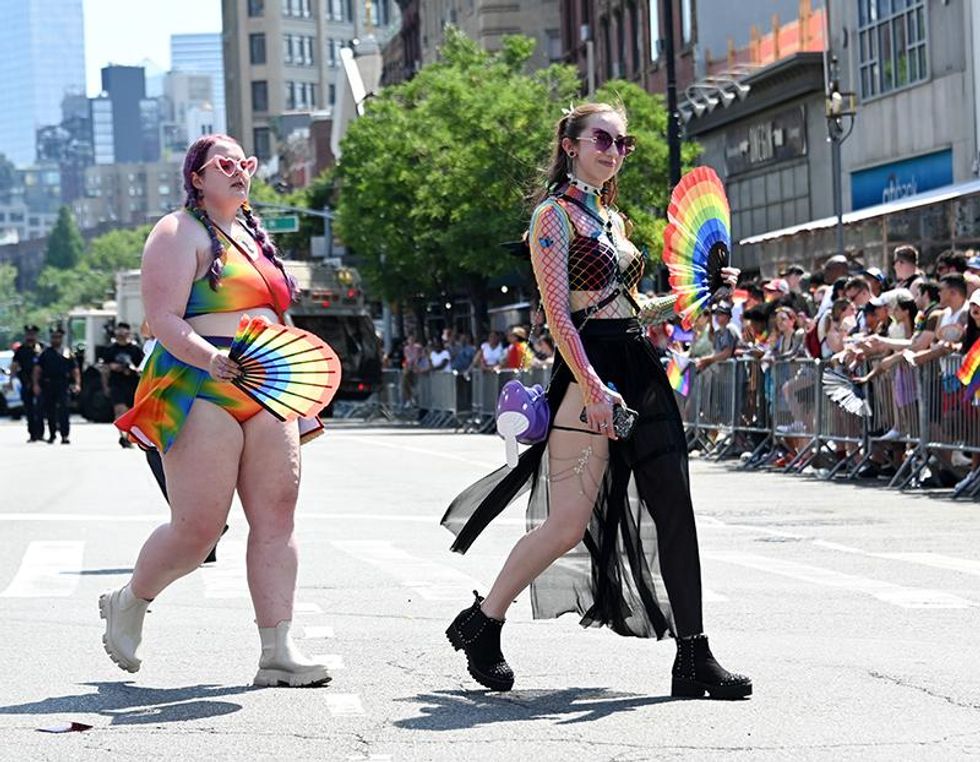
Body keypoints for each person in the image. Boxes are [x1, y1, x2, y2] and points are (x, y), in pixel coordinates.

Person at [440, 102, 750, 699]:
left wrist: (697, 296)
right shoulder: (553, 217)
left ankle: (693, 656)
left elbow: (632, 311)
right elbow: (561, 315)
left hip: (637, 366)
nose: (614, 151)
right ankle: (484, 622)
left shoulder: (614, 220)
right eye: (602, 139)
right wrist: (590, 383)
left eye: (622, 143)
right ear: (571, 145)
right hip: (589, 372)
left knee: (676, 508)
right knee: (566, 525)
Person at [104, 133, 330, 687]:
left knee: (277, 517)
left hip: (268, 384)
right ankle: (129, 600)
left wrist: (299, 380)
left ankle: (277, 650)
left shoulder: (254, 235)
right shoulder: (176, 231)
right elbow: (164, 319)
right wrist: (212, 358)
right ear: (197, 177)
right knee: (199, 530)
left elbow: (278, 315)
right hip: (201, 384)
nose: (238, 170)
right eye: (224, 163)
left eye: (244, 162)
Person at [99, 322, 144, 448]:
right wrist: (105, 385)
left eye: (124, 333)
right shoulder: (110, 350)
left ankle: (129, 435)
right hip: (116, 384)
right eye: (119, 332)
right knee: (120, 410)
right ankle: (123, 436)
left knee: (130, 411)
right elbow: (104, 369)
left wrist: (132, 369)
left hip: (132, 384)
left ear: (128, 333)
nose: (121, 335)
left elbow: (143, 368)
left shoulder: (135, 349)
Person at [33, 327, 80, 444]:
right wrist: (36, 384)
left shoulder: (67, 352)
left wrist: (77, 383)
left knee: (64, 410)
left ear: (62, 338)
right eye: (54, 337)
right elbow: (37, 370)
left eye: (58, 337)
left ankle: (65, 435)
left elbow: (75, 369)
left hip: (63, 384)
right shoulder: (45, 353)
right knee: (50, 411)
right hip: (48, 384)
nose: (56, 339)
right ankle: (52, 434)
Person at [11, 324, 45, 442]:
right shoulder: (21, 350)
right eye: (28, 334)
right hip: (26, 382)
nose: (30, 336)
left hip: (41, 383)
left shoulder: (42, 348)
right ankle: (32, 434)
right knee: (29, 410)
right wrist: (11, 379)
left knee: (40, 409)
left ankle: (40, 433)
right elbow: (14, 365)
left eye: (32, 334)